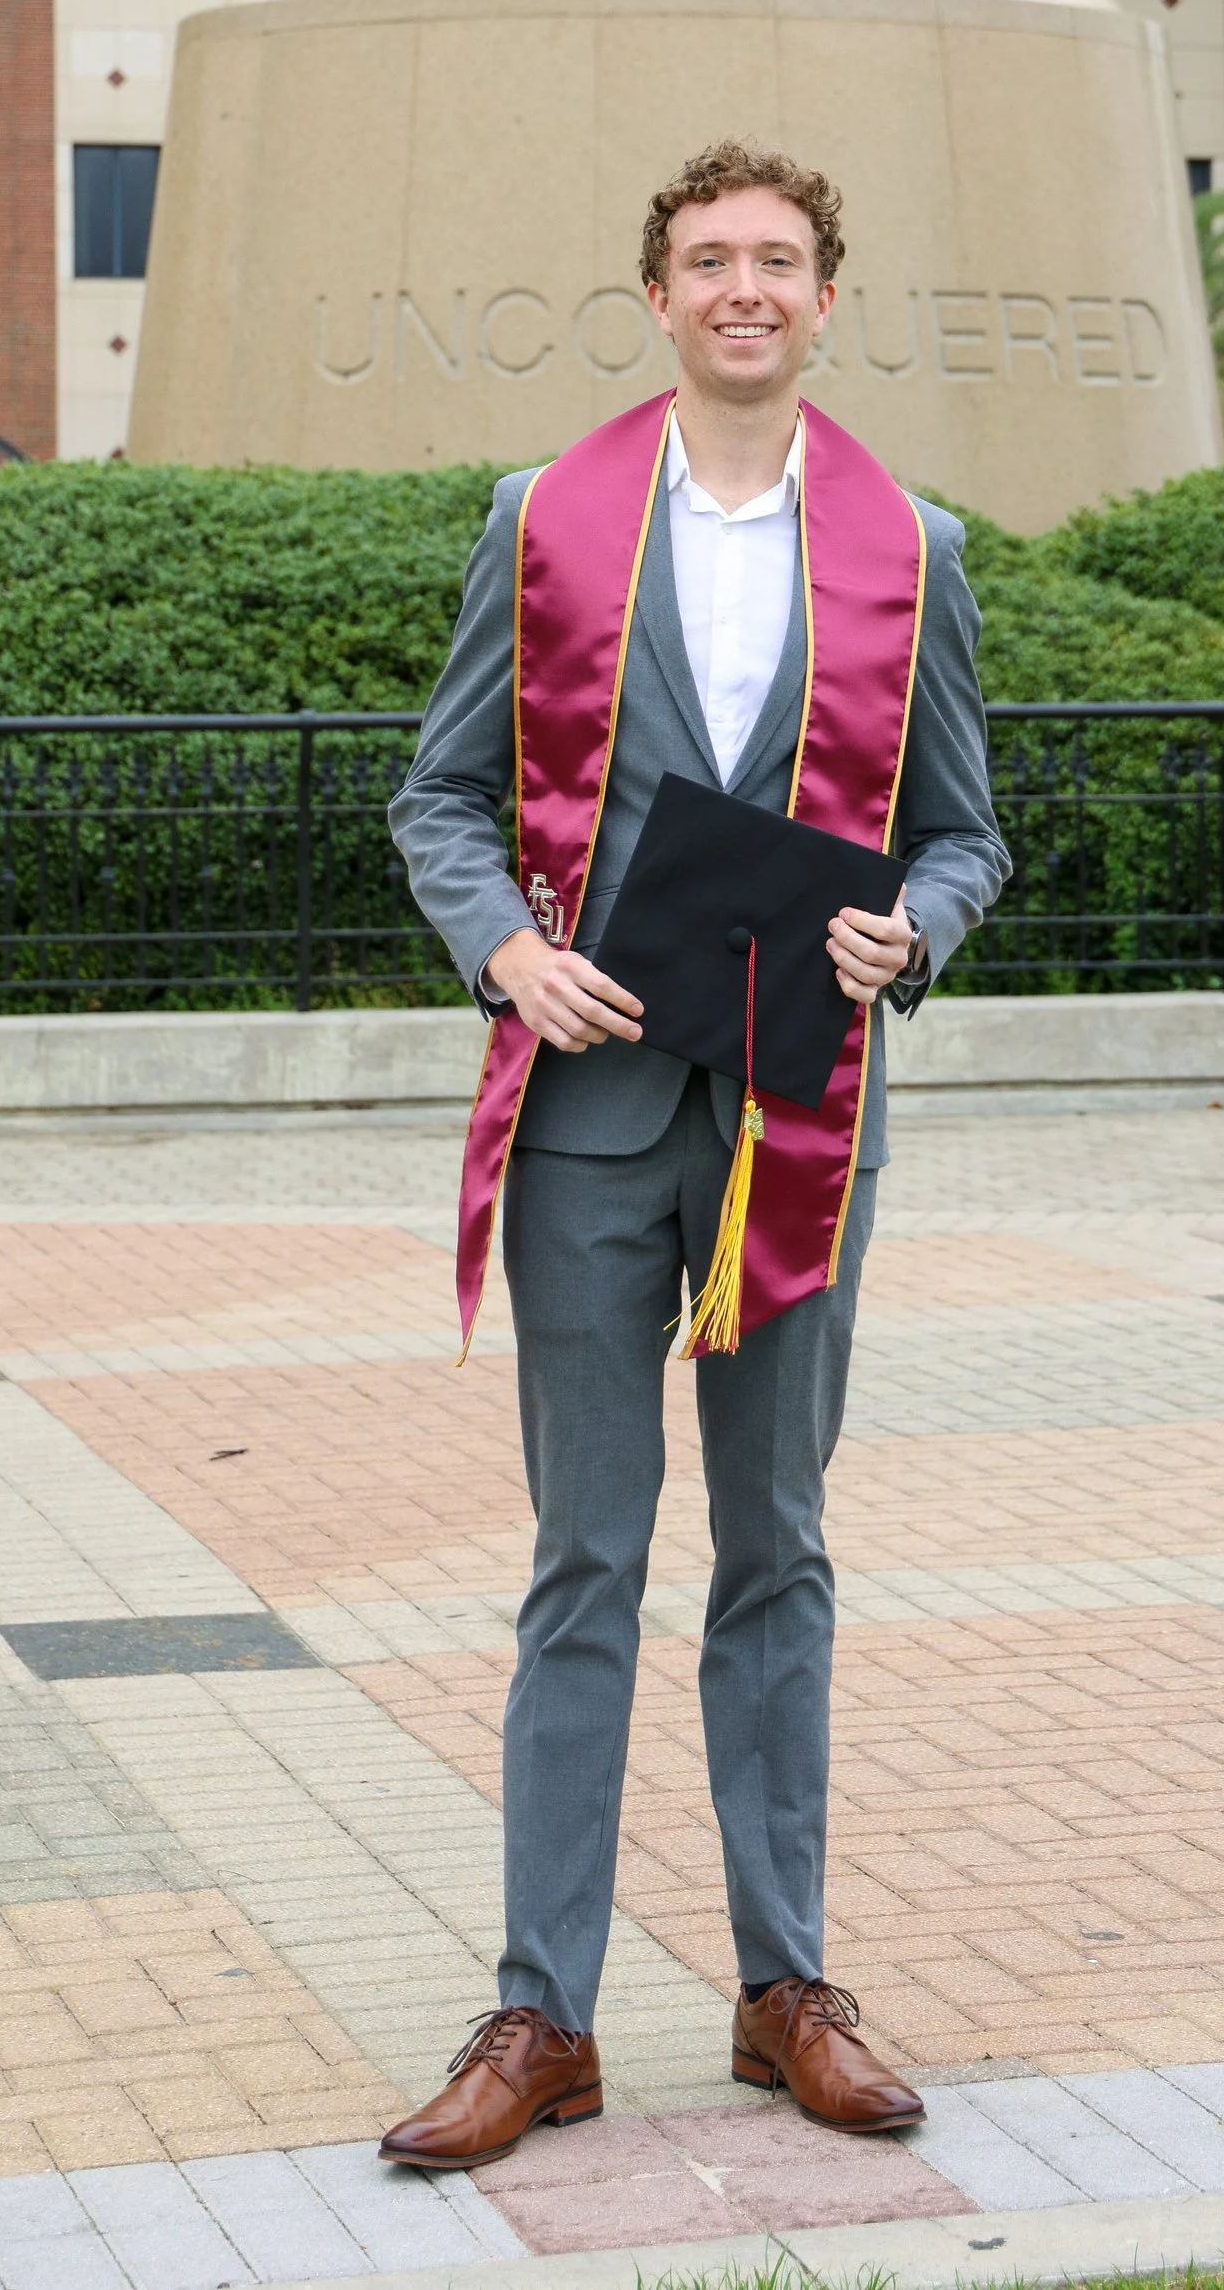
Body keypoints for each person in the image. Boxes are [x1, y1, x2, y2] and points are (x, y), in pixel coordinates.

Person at [382, 140, 1008, 2173]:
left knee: (781, 1549)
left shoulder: (906, 542)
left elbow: (964, 828)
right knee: (583, 1557)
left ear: (828, 299)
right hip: (588, 1114)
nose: (745, 286)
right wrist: (503, 949)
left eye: (779, 259)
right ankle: (538, 2009)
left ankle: (781, 1985)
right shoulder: (543, 517)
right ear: (652, 296)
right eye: (707, 259)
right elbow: (442, 794)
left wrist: (913, 926)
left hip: (799, 1115)